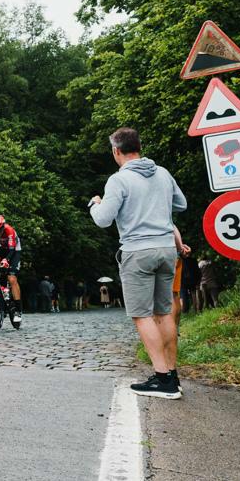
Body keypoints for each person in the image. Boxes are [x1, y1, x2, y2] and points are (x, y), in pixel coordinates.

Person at [90, 127, 187, 399]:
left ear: (116, 151)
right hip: (166, 250)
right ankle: (172, 374)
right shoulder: (163, 173)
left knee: (142, 315)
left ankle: (163, 379)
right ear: (138, 147)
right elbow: (181, 204)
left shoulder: (119, 180)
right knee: (164, 312)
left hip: (138, 252)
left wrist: (95, 204)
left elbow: (103, 219)